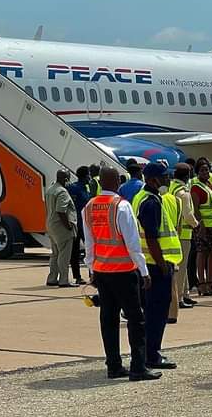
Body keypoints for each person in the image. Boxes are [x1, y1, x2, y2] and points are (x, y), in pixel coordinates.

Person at [83, 167, 160, 381]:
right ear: (117, 182)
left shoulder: (89, 207)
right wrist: (144, 271)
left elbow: (89, 244)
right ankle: (138, 367)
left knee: (108, 319)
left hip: (102, 271)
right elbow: (133, 244)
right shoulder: (122, 206)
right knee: (136, 319)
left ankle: (114, 365)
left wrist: (91, 270)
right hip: (124, 271)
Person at [131, 163, 182, 370]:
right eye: (164, 177)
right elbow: (152, 238)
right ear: (153, 180)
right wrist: (162, 264)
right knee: (157, 311)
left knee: (151, 310)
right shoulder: (151, 202)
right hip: (155, 265)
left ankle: (149, 352)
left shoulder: (141, 197)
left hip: (147, 263)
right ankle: (152, 354)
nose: (168, 181)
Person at [167, 163, 198, 320]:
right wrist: (196, 224)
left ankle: (184, 294)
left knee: (183, 268)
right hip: (184, 233)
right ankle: (178, 298)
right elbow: (187, 215)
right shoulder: (184, 193)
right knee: (181, 267)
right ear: (187, 176)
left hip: (173, 230)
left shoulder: (170, 188)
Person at [191, 160, 212, 297]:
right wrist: (201, 224)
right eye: (202, 170)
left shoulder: (211, 184)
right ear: (197, 172)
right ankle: (202, 283)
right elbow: (196, 208)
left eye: (207, 170)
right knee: (202, 253)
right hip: (204, 226)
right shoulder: (196, 187)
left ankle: (211, 282)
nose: (205, 173)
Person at [44, 169, 77, 287]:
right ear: (66, 179)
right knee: (64, 254)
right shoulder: (62, 192)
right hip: (61, 226)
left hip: (51, 225)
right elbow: (61, 211)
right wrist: (68, 226)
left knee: (55, 253)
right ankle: (64, 279)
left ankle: (52, 278)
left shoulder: (50, 189)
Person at [66, 166, 93, 286]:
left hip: (84, 224)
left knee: (89, 250)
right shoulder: (74, 188)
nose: (90, 178)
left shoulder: (84, 188)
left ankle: (91, 275)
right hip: (77, 224)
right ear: (85, 176)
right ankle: (77, 276)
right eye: (88, 175)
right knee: (75, 252)